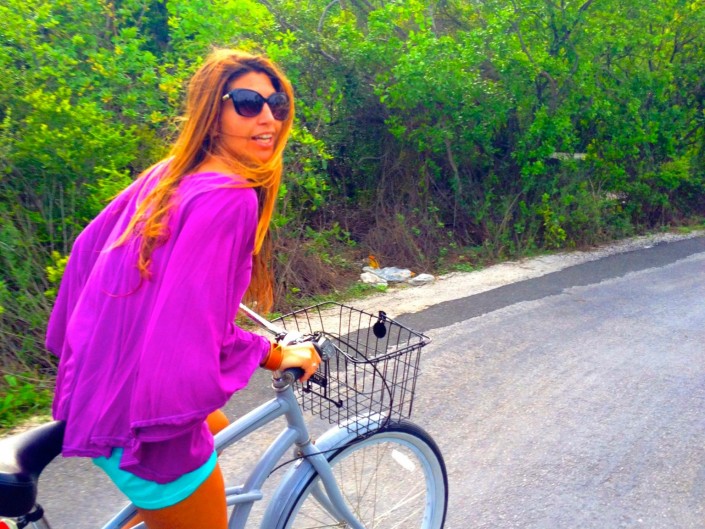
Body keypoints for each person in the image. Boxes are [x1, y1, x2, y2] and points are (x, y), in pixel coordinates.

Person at [45, 49, 321, 529]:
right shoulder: (230, 199)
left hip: (102, 388)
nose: (268, 119)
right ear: (213, 111)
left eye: (277, 104)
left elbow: (89, 252)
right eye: (248, 103)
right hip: (137, 423)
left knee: (217, 427)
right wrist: (275, 354)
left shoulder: (172, 173)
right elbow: (194, 332)